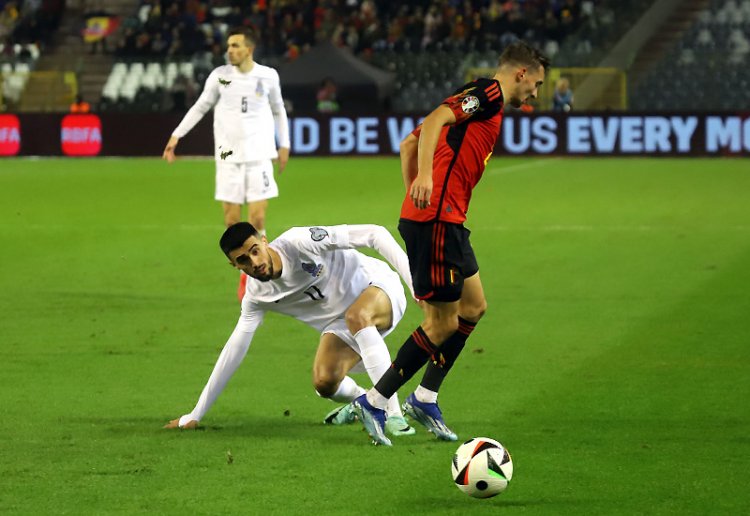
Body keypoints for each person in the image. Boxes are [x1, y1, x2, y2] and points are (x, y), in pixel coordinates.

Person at [353, 41, 550, 446]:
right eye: (537, 83)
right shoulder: (489, 94)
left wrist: (415, 193)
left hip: (444, 221)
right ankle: (374, 401)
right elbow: (433, 119)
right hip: (437, 222)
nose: (536, 93)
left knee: (474, 307)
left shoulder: (477, 100)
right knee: (441, 322)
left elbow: (410, 142)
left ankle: (425, 397)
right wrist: (424, 181)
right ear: (521, 74)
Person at [164, 222, 419, 442]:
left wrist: (415, 283)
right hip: (342, 324)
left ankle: (394, 414)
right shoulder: (256, 296)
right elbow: (234, 349)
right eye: (243, 260)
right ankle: (363, 400)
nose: (254, 262)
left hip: (379, 288)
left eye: (255, 251)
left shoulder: (300, 242)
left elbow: (375, 234)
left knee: (357, 315)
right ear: (233, 265)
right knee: (324, 383)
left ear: (264, 241)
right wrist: (196, 414)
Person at [162, 27, 290, 300]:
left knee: (257, 218)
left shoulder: (267, 76)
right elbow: (200, 106)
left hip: (258, 155)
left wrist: (285, 144)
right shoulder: (220, 77)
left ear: (249, 49)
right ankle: (246, 274)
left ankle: (259, 273)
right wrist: (176, 135)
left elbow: (279, 110)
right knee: (232, 221)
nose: (229, 50)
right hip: (228, 158)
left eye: (235, 46)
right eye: (229, 46)